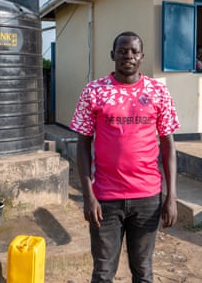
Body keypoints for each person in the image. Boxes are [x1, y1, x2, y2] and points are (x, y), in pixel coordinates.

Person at [70, 31, 180, 282]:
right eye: (122, 51)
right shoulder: (94, 91)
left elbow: (168, 145)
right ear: (113, 55)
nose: (128, 56)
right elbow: (83, 144)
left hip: (147, 198)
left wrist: (171, 195)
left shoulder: (158, 91)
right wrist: (88, 196)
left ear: (141, 57)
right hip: (105, 198)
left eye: (133, 51)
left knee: (143, 270)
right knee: (103, 271)